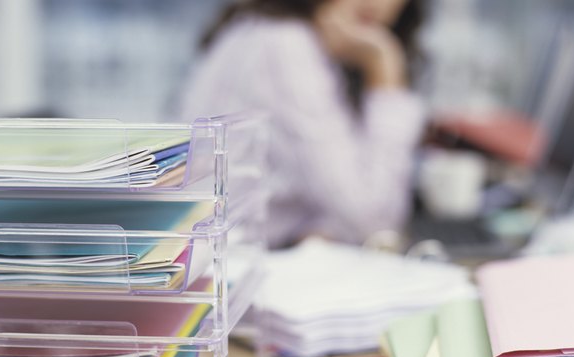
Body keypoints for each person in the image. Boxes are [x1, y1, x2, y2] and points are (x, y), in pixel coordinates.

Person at [179, 0, 428, 248]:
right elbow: (374, 221)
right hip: (225, 266)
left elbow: (345, 207)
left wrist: (319, 227)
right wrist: (384, 64)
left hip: (236, 257)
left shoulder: (268, 31)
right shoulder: (286, 44)